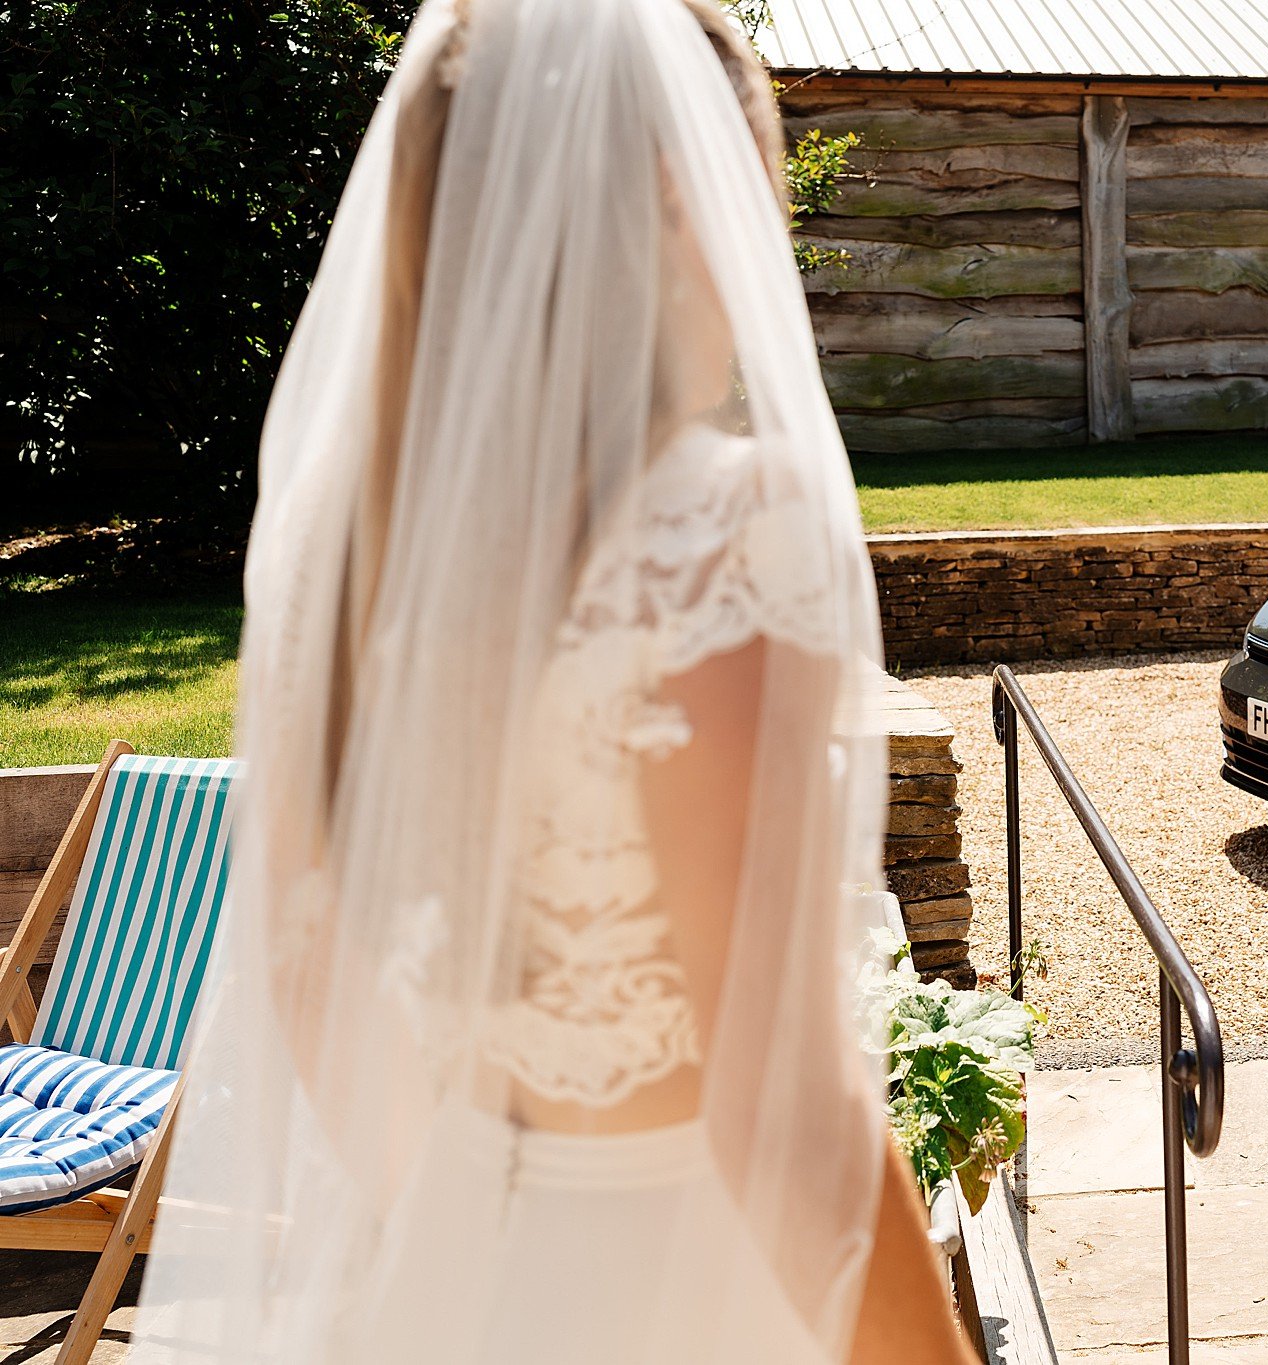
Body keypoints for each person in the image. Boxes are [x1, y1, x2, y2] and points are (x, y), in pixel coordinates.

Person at [129, 1, 974, 1361]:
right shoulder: (715, 535)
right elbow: (783, 1112)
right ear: (674, 197)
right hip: (680, 1289)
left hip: (446, 1259)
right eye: (752, 174)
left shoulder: (355, 555)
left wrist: (480, 1228)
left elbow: (309, 973)